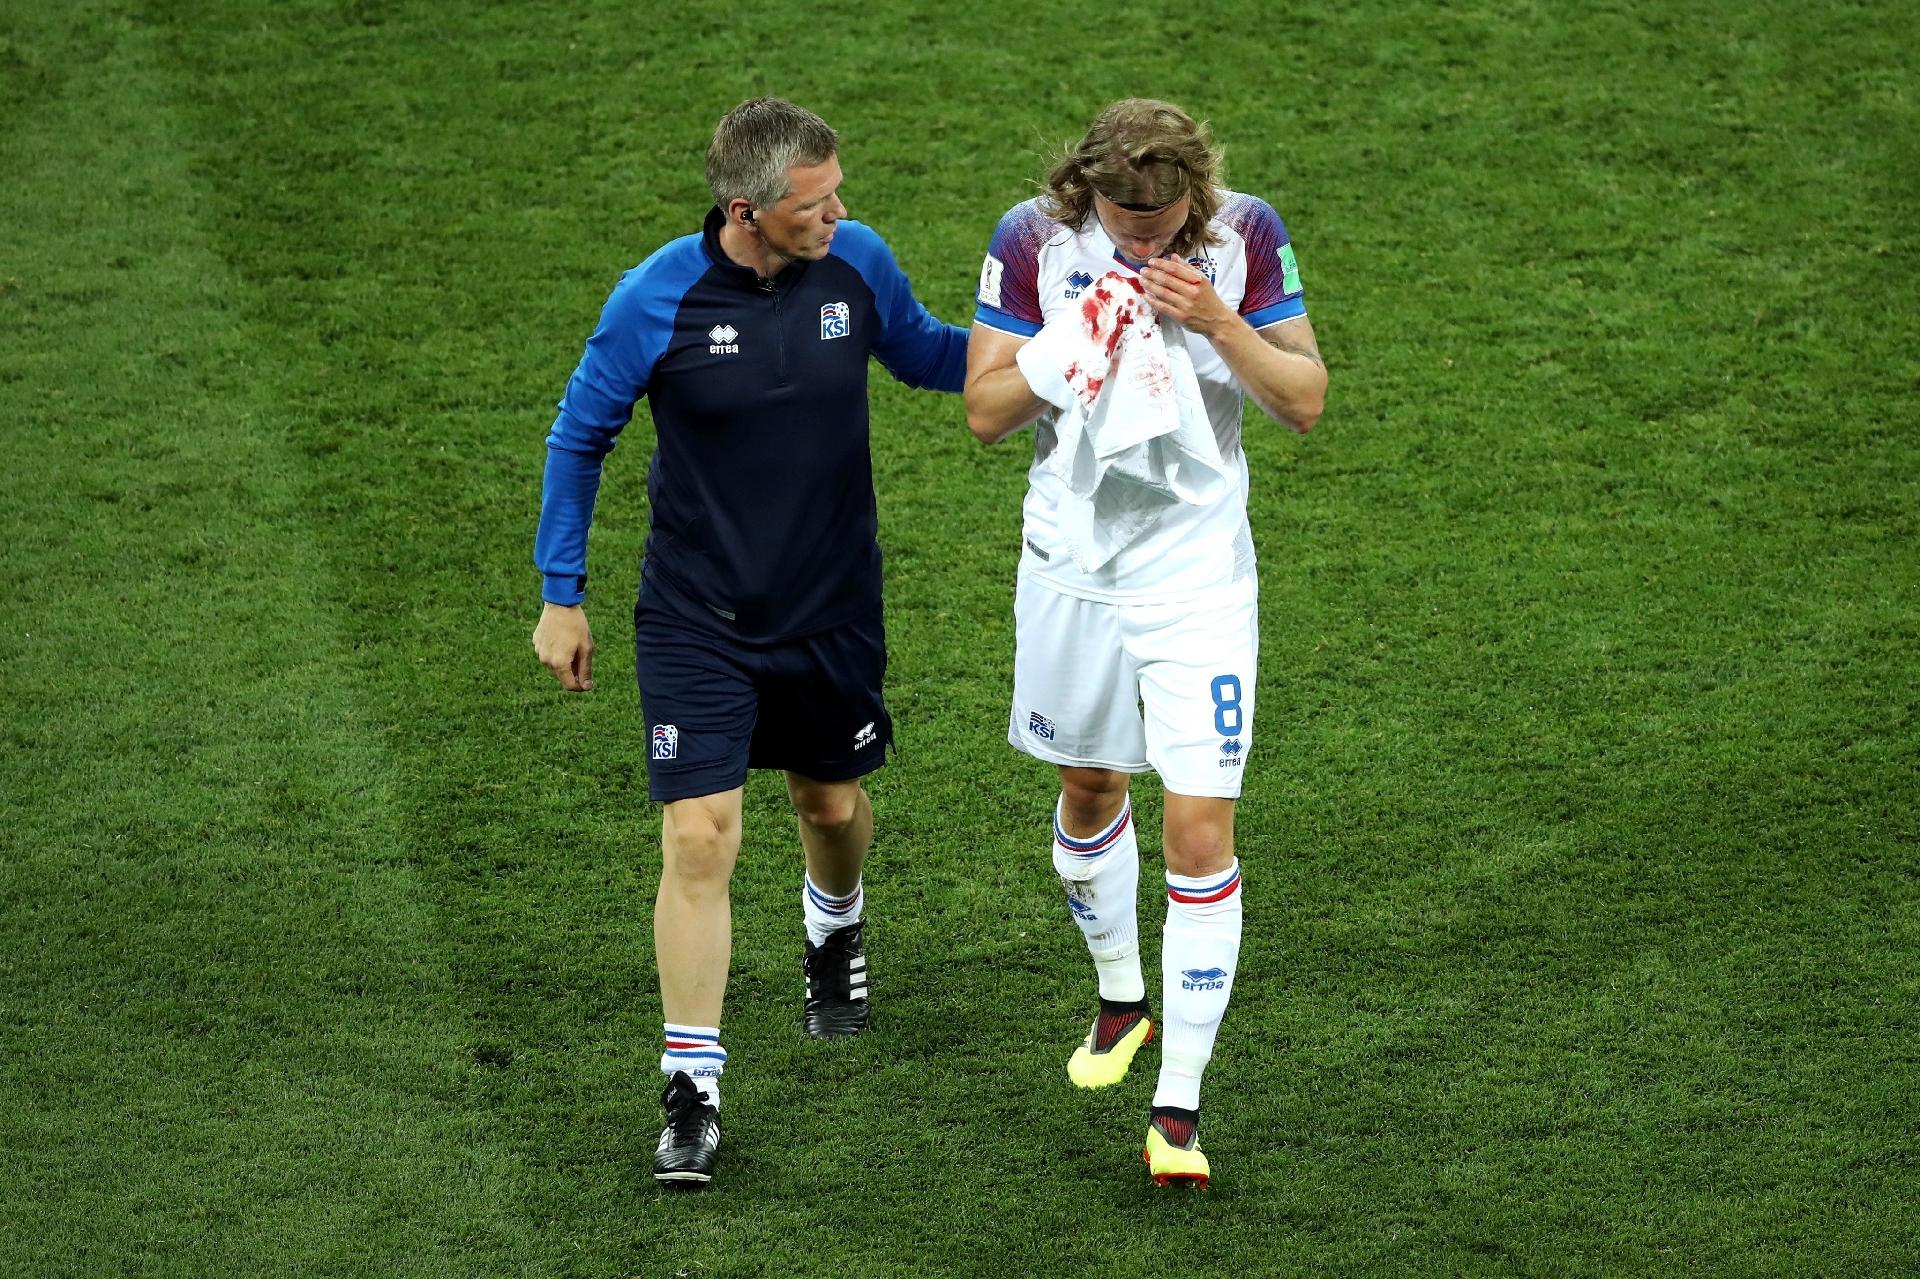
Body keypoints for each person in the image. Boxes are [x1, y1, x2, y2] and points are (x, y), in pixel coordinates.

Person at [531, 97, 968, 1187]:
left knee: (827, 804)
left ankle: (834, 924)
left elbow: (926, 354)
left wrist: (1065, 358)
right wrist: (560, 592)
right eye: (816, 204)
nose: (840, 213)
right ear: (749, 211)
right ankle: (693, 1085)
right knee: (700, 837)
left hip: (829, 608)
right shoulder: (656, 299)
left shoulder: (855, 262)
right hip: (696, 617)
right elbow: (580, 434)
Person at [962, 99, 1326, 1188]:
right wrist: (1066, 346)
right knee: (1087, 782)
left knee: (1201, 829)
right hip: (1072, 569)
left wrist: (1220, 324)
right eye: (1123, 219)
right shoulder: (1031, 237)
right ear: (1085, 192)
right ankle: (1123, 994)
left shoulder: (1246, 236)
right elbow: (985, 413)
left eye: (1161, 221)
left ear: (1194, 198)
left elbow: (1304, 400)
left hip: (1197, 580)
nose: (1142, 240)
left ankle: (1178, 1111)